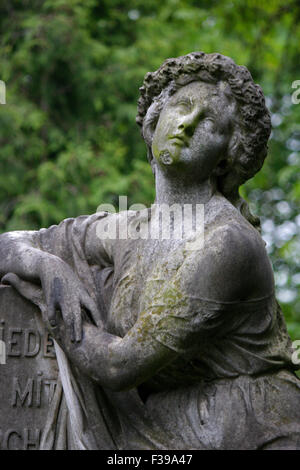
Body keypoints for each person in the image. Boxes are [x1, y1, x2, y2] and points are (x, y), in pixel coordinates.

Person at [0, 52, 299, 450]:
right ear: (156, 119)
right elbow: (10, 243)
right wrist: (48, 266)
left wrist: (51, 302)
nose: (187, 124)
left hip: (244, 429)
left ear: (229, 154)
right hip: (164, 422)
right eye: (182, 106)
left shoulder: (228, 244)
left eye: (209, 122)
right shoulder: (128, 227)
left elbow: (119, 364)